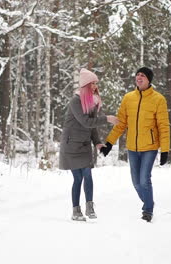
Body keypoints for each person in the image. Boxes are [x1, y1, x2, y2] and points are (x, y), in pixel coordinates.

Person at [100, 66, 170, 222]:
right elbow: (120, 123)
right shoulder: (128, 98)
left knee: (145, 179)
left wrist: (165, 150)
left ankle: (148, 211)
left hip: (150, 148)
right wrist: (109, 143)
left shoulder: (158, 99)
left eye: (143, 75)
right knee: (136, 183)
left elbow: (163, 126)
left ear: (149, 79)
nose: (139, 77)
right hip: (132, 147)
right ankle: (149, 202)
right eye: (137, 75)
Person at [59, 68, 119, 221]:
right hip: (71, 144)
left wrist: (98, 142)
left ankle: (89, 206)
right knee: (78, 178)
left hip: (85, 145)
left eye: (96, 83)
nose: (95, 86)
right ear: (85, 85)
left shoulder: (92, 102)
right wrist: (106, 119)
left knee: (88, 174)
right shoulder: (75, 101)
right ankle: (75, 211)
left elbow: (91, 126)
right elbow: (86, 122)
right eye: (92, 83)